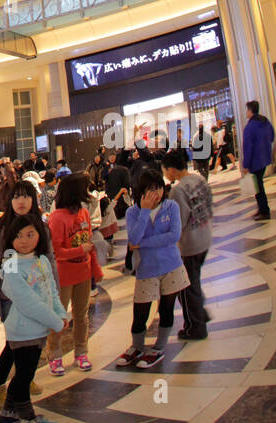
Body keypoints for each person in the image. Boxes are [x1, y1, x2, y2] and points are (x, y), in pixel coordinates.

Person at [0, 215, 66, 423]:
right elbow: (28, 303)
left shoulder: (41, 260)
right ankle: (28, 418)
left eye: (29, 234)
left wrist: (60, 312)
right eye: (17, 236)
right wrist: (55, 321)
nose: (23, 241)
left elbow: (51, 291)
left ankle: (8, 413)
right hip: (23, 331)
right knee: (24, 376)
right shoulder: (13, 266)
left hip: (38, 330)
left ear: (39, 235)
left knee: (24, 373)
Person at [116, 166, 188, 370]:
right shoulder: (133, 212)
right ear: (141, 191)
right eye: (150, 189)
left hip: (171, 265)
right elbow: (134, 238)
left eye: (158, 188)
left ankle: (159, 347)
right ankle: (136, 347)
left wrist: (143, 243)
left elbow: (173, 236)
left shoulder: (171, 206)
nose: (155, 194)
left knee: (166, 309)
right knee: (140, 312)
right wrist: (145, 211)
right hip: (146, 269)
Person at [47, 173, 101, 375]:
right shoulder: (57, 218)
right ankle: (55, 355)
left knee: (82, 315)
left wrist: (95, 268)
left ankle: (81, 352)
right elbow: (57, 252)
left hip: (84, 273)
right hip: (64, 275)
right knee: (58, 317)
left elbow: (89, 243)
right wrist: (81, 251)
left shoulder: (84, 213)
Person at [163, 150, 213, 340]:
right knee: (193, 282)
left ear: (173, 170)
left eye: (166, 170)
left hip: (190, 245)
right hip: (204, 237)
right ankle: (200, 314)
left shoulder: (178, 190)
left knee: (185, 288)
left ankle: (195, 327)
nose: (165, 174)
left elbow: (179, 222)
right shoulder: (200, 180)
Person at [241, 100, 274, 220]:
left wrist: (245, 165)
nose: (246, 112)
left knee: (258, 187)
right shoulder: (265, 122)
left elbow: (248, 147)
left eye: (247, 110)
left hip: (255, 161)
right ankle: (261, 209)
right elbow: (272, 136)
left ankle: (264, 211)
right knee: (258, 185)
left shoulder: (250, 127)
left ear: (250, 110)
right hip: (265, 158)